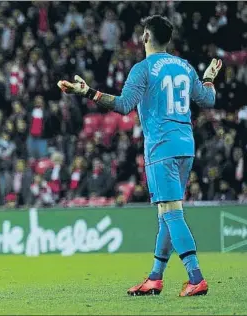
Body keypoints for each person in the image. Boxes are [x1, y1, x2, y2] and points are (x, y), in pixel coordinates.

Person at [58, 15, 222, 297]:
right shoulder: (184, 66)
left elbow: (123, 106)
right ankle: (155, 278)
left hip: (161, 147)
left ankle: (196, 277)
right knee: (166, 214)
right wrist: (208, 78)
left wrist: (88, 92)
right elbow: (208, 100)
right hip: (186, 145)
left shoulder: (143, 69)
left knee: (171, 212)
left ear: (146, 37)